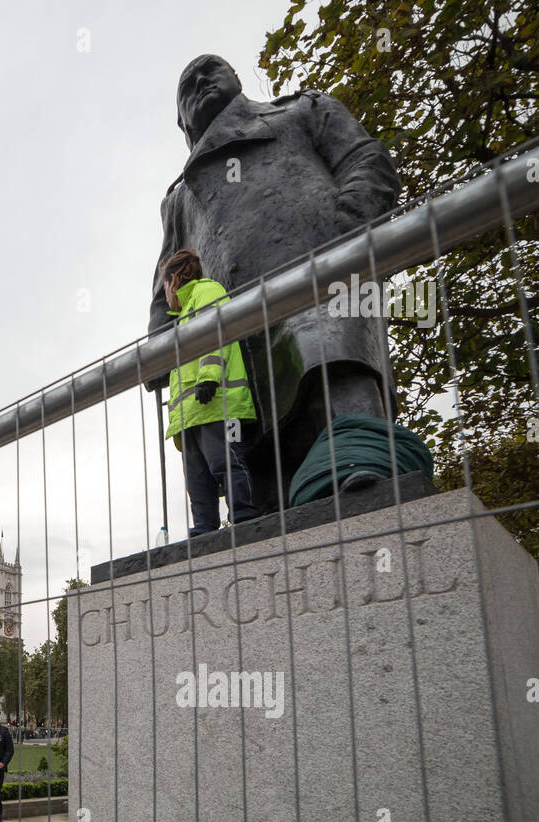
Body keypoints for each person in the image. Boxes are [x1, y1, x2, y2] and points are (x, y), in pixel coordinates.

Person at [146, 54, 401, 513]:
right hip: (231, 342)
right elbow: (168, 273)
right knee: (266, 492)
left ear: (238, 80)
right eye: (188, 85)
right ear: (180, 120)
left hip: (320, 288)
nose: (201, 81)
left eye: (211, 70)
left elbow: (367, 160)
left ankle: (368, 484)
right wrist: (161, 348)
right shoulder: (180, 198)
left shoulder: (302, 111)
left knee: (339, 403)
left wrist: (339, 237)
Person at [161, 248, 261, 536]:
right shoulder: (182, 315)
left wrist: (209, 376)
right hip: (191, 414)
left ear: (174, 279)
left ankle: (244, 518)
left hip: (219, 403)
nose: (165, 295)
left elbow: (216, 332)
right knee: (198, 481)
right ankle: (204, 529)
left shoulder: (207, 291)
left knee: (227, 462)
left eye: (165, 286)